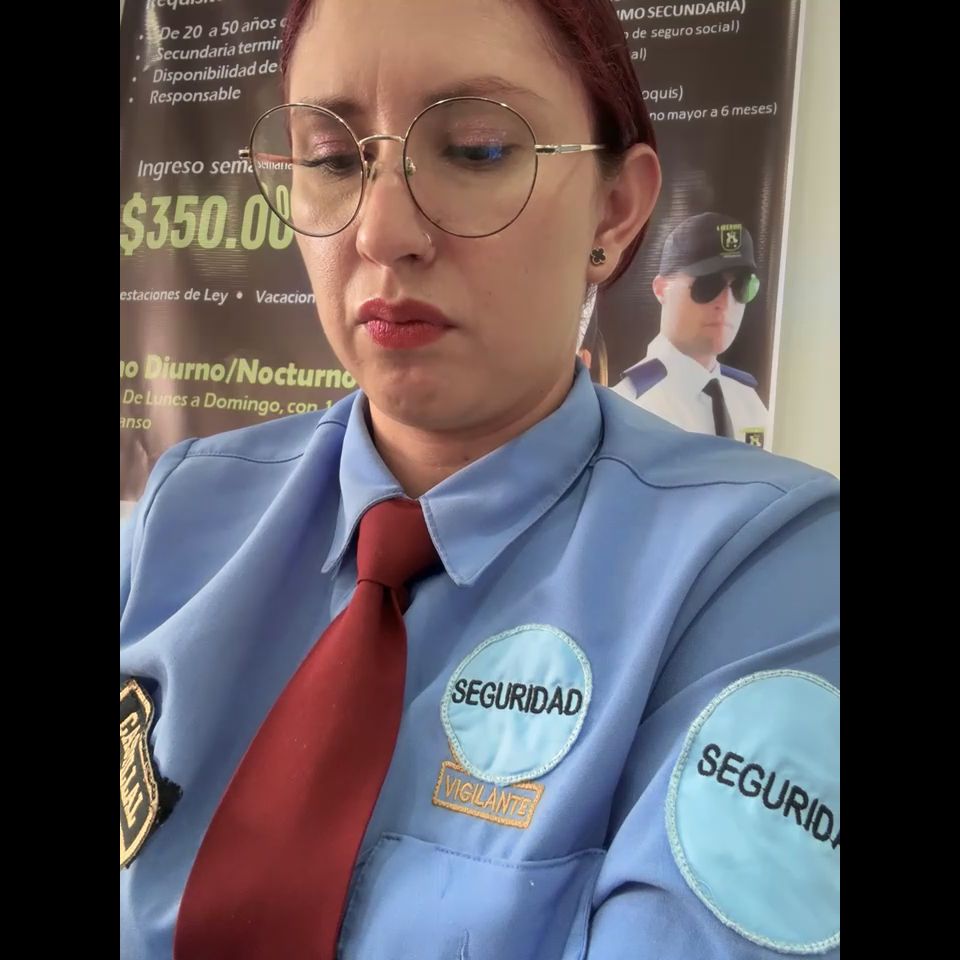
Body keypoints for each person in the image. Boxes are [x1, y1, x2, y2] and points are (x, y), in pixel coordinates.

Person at [120, 0, 840, 957]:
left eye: (475, 150)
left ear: (615, 211)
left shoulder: (767, 570)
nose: (382, 231)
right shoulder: (186, 507)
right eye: (332, 161)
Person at [613, 213, 770, 446]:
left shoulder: (748, 401)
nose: (726, 303)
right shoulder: (629, 407)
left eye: (742, 286)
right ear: (661, 289)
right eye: (707, 285)